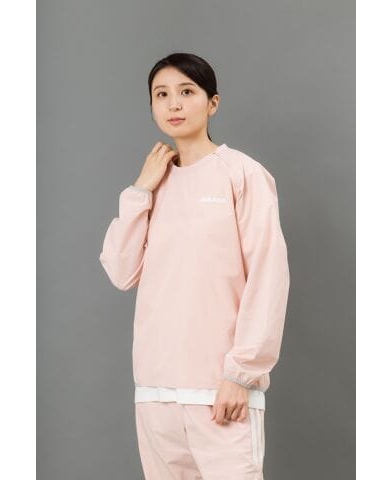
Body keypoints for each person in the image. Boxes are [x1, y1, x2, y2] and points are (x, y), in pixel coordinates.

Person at [99, 52, 290, 479]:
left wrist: (241, 374)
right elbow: (121, 271)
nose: (174, 104)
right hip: (155, 395)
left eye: (187, 92)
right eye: (161, 94)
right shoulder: (154, 185)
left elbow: (268, 276)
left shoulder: (242, 174)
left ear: (212, 103)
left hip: (221, 392)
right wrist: (140, 190)